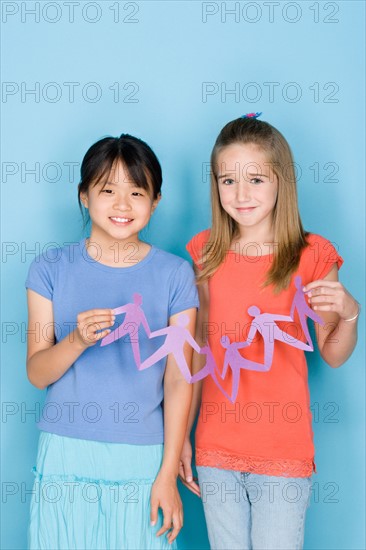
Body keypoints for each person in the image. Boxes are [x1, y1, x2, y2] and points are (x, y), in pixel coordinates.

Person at [179, 115, 359, 550]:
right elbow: (198, 354)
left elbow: (332, 356)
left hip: (282, 450)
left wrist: (350, 314)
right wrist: (182, 437)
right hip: (216, 444)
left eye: (256, 179)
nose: (241, 195)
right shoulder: (204, 252)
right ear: (215, 184)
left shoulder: (312, 255)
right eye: (228, 181)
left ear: (282, 182)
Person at [26, 133, 198, 549]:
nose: (122, 205)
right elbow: (36, 372)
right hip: (67, 450)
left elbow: (179, 379)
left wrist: (167, 472)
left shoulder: (175, 274)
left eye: (137, 192)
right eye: (107, 190)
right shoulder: (49, 268)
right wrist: (77, 341)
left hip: (143, 455)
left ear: (155, 201)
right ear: (84, 196)